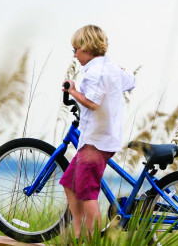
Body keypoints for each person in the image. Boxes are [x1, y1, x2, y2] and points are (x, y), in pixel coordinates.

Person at [60, 25, 135, 239]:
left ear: (88, 47)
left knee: (87, 194)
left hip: (96, 142)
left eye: (76, 50)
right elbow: (131, 81)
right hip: (98, 140)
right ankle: (78, 233)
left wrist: (73, 91)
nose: (74, 55)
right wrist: (119, 71)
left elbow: (92, 103)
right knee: (69, 183)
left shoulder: (95, 72)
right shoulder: (109, 67)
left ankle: (92, 240)